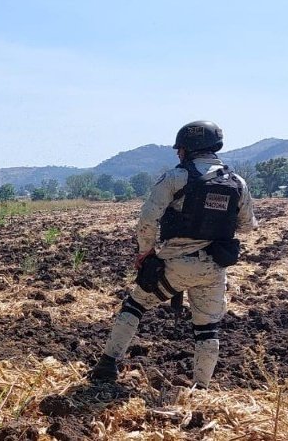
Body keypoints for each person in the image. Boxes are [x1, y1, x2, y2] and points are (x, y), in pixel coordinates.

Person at [90, 121, 258, 388]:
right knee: (207, 330)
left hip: (176, 264)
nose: (178, 153)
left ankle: (108, 364)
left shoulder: (177, 177)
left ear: (188, 148)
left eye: (179, 149)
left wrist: (146, 254)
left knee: (135, 305)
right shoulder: (238, 183)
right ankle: (200, 388)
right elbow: (248, 225)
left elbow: (147, 221)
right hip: (214, 268)